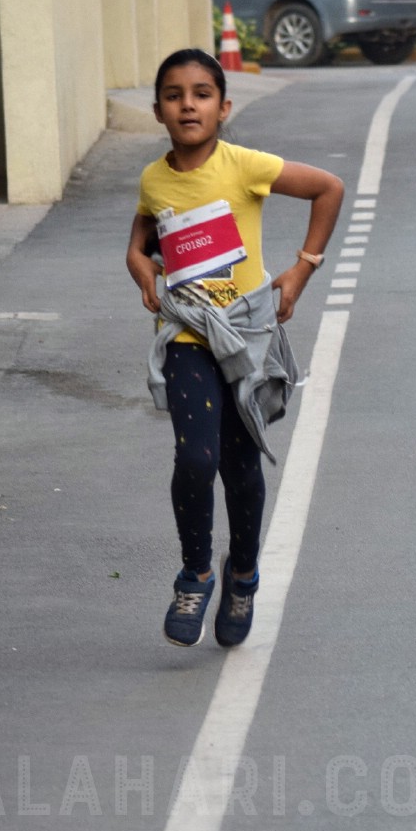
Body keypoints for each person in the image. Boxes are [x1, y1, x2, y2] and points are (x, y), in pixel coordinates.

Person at [126, 48, 344, 649]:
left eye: (200, 93)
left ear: (223, 108)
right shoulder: (153, 176)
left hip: (247, 336)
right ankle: (195, 572)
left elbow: (328, 188)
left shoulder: (244, 164)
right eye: (174, 95)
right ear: (158, 110)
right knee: (195, 459)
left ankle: (241, 573)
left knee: (241, 469)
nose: (187, 104)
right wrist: (139, 264)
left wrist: (301, 271)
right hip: (188, 335)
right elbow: (143, 232)